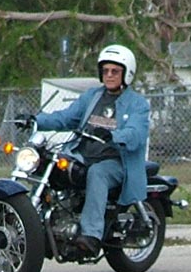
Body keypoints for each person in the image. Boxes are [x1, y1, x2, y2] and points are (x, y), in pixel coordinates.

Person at [31, 44, 151, 255]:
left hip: (116, 162)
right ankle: (34, 222)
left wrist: (114, 136)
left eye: (115, 71)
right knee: (46, 163)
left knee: (97, 173)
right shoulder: (92, 96)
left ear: (127, 74)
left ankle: (91, 236)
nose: (109, 75)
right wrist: (35, 120)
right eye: (105, 70)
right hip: (82, 155)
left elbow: (136, 133)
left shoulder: (137, 104)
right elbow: (65, 117)